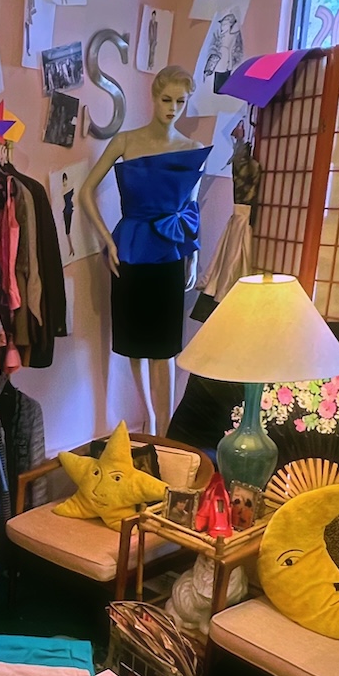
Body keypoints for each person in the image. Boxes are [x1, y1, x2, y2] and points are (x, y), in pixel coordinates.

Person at [83, 66, 210, 433]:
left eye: (180, 102)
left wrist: (194, 253)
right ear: (153, 98)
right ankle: (148, 417)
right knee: (135, 343)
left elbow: (190, 206)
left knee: (165, 347)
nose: (173, 108)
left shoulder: (192, 150)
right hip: (131, 249)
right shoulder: (126, 142)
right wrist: (107, 240)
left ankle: (165, 427)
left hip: (170, 253)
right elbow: (87, 190)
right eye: (166, 100)